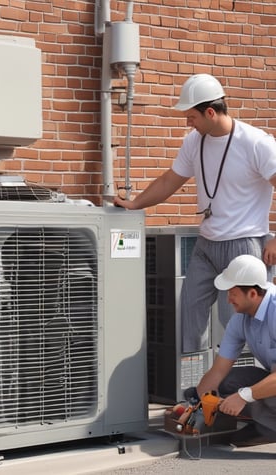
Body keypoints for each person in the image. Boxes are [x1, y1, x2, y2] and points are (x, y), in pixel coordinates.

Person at [113, 73, 276, 352]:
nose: (188, 123)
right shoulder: (194, 142)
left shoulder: (256, 143)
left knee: (239, 323)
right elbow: (170, 180)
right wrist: (135, 204)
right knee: (189, 315)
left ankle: (246, 390)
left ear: (210, 112)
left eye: (191, 117)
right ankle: (196, 388)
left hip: (244, 245)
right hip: (206, 243)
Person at [189, 254, 276, 443]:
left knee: (259, 395)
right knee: (226, 384)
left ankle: (269, 427)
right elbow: (218, 371)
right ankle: (267, 427)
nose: (228, 299)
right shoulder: (241, 318)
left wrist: (244, 396)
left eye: (232, 293)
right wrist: (194, 406)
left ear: (252, 294)